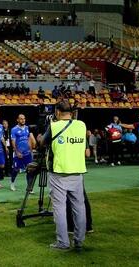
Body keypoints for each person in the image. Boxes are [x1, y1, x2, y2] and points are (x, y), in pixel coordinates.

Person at [38, 99, 90, 250]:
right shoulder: (81, 125)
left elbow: (43, 143)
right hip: (77, 171)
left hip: (59, 172)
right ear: (72, 112)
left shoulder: (54, 126)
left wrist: (41, 137)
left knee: (59, 208)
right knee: (79, 208)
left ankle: (63, 242)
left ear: (57, 112)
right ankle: (79, 241)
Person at [10, 114, 37, 191]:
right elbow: (13, 142)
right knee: (16, 170)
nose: (23, 120)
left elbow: (30, 140)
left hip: (27, 153)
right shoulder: (14, 129)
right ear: (17, 120)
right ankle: (12, 183)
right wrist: (17, 152)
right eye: (21, 119)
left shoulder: (28, 128)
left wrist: (31, 150)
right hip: (19, 153)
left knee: (30, 170)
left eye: (24, 119)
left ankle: (29, 187)